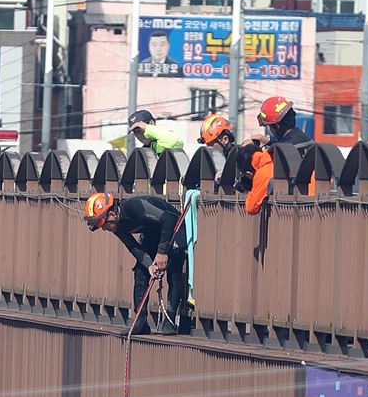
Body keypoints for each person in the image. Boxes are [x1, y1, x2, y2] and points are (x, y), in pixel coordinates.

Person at [84, 191, 186, 335]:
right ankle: (141, 321)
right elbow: (133, 247)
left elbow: (168, 219)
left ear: (112, 214)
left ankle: (169, 318)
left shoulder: (134, 207)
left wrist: (162, 253)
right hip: (153, 234)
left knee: (174, 268)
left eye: (103, 224)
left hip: (174, 227)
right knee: (140, 270)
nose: (104, 229)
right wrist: (150, 265)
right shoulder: (116, 225)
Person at [244, 96, 313, 215]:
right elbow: (289, 142)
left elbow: (251, 207)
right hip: (316, 212)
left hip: (292, 217)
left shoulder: (276, 158)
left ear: (276, 126)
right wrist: (269, 141)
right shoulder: (309, 145)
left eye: (270, 126)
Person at [198, 113, 261, 192]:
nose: (209, 148)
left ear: (225, 139)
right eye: (207, 144)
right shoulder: (208, 160)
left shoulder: (242, 157)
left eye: (212, 143)